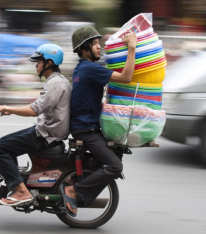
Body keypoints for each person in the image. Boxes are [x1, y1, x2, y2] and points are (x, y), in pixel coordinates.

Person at [61, 26, 137, 217]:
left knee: (116, 154)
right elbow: (127, 78)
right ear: (82, 49)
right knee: (114, 166)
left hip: (85, 125)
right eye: (93, 44)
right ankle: (75, 191)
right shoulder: (89, 68)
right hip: (86, 129)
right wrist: (132, 48)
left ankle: (76, 184)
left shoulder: (81, 68)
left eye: (98, 43)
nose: (98, 47)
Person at [0, 44, 72, 206]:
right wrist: (9, 110)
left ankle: (20, 191)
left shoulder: (55, 84)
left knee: (0, 148)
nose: (36, 65)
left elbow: (35, 110)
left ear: (49, 63)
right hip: (48, 131)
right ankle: (18, 182)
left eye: (38, 62)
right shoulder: (58, 81)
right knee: (6, 142)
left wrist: (5, 108)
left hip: (45, 135)